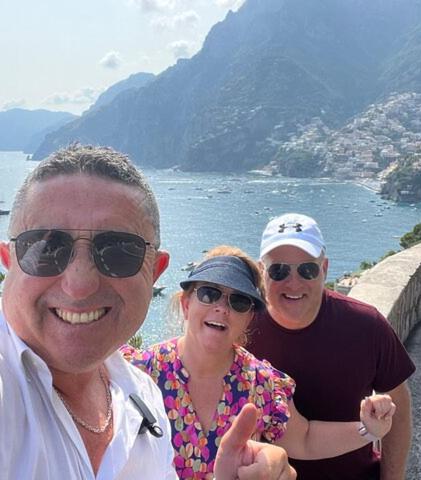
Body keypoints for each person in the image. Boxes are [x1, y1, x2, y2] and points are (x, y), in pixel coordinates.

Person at [0, 144, 296, 480]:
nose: (79, 284)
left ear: (154, 270)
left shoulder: (143, 397)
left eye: (117, 251)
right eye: (46, 248)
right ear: (9, 261)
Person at [122, 246, 396, 479]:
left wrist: (368, 430)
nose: (222, 308)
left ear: (249, 318)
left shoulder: (261, 382)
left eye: (239, 301)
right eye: (209, 293)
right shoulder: (137, 374)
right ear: (186, 304)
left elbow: (305, 439)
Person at [247, 213, 417, 480]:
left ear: (324, 269)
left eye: (307, 270)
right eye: (279, 270)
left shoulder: (365, 325)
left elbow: (399, 407)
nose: (293, 282)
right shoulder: (243, 330)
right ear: (261, 271)